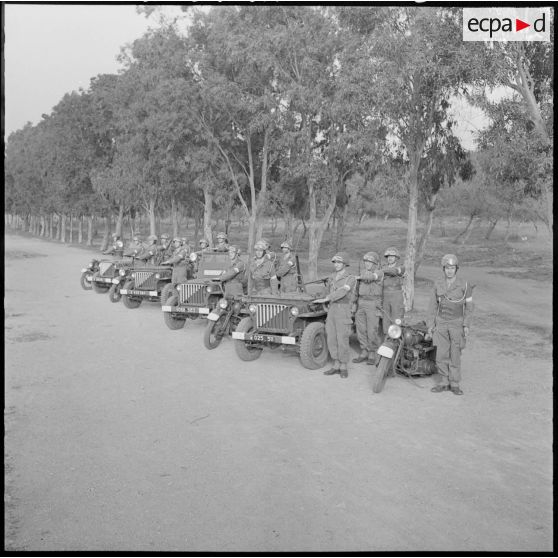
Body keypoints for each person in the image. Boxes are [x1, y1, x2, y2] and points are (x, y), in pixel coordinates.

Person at [426, 254, 474, 396]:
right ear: (443, 269)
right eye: (447, 268)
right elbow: (432, 306)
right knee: (441, 353)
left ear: (456, 269)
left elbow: (469, 307)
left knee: (455, 354)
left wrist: (466, 325)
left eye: (452, 268)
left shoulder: (465, 285)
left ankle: (454, 383)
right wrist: (430, 324)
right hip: (441, 322)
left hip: (456, 323)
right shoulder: (438, 283)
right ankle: (443, 382)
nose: (449, 271)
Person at [314, 252, 357, 379]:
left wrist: (327, 298)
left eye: (340, 262)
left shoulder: (351, 278)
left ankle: (343, 366)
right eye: (335, 263)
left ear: (345, 264)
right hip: (332, 309)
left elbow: (343, 291)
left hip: (343, 309)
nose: (337, 265)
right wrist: (318, 297)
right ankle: (336, 364)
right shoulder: (332, 277)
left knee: (342, 338)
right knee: (331, 337)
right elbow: (325, 291)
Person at [352, 252, 384, 365]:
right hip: (361, 302)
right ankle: (364, 351)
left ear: (375, 263)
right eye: (365, 261)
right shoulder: (362, 273)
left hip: (373, 303)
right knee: (360, 329)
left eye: (370, 262)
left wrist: (359, 277)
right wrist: (354, 303)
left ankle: (372, 352)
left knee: (372, 330)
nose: (367, 264)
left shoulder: (379, 273)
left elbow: (371, 277)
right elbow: (356, 289)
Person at [381, 247, 406, 333]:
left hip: (396, 295)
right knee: (385, 318)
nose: (390, 258)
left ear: (396, 258)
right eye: (388, 256)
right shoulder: (383, 267)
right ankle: (386, 340)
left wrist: (382, 271)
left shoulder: (401, 267)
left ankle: (396, 339)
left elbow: (394, 271)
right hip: (385, 294)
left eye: (392, 256)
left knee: (396, 318)